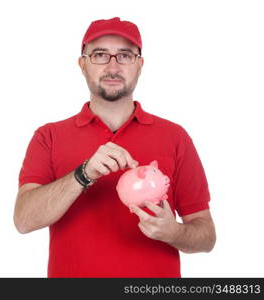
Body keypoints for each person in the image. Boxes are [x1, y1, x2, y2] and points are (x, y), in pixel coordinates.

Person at [14, 17, 216, 278]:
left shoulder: (175, 136)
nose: (113, 66)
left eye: (124, 56)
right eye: (100, 55)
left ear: (139, 65)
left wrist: (174, 232)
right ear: (82, 64)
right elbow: (23, 220)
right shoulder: (48, 136)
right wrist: (83, 174)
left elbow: (206, 236)